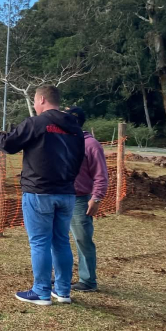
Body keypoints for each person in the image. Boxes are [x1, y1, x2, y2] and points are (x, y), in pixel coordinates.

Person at [0, 85, 85, 306]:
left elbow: (9, 144)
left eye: (34, 101)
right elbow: (79, 159)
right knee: (61, 241)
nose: (34, 105)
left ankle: (41, 292)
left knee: (40, 242)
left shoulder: (38, 122)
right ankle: (63, 291)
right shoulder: (76, 128)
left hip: (39, 192)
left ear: (41, 99)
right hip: (66, 193)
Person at [65, 106, 109, 293]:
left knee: (83, 240)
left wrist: (96, 198)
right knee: (58, 240)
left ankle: (88, 280)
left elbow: (101, 175)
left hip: (80, 199)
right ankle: (61, 276)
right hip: (59, 197)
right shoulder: (62, 140)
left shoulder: (91, 145)